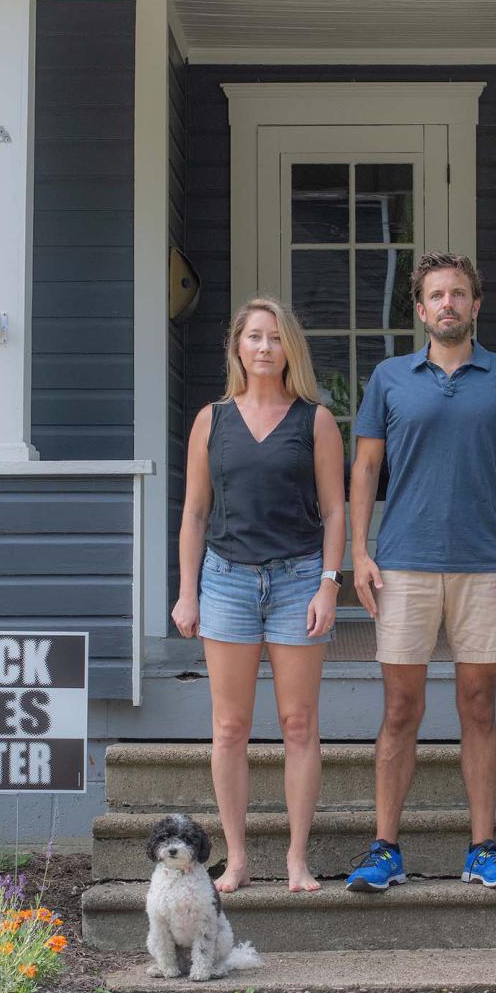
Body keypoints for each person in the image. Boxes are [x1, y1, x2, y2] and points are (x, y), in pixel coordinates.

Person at [346, 252, 496, 892]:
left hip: (486, 566)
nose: (448, 304)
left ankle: (483, 848)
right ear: (421, 309)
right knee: (400, 707)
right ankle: (385, 850)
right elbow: (365, 470)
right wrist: (359, 551)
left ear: (475, 305)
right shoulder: (389, 377)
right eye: (436, 295)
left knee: (479, 706)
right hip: (403, 563)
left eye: (459, 294)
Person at [171, 297, 346, 893]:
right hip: (226, 582)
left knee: (299, 724)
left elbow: (334, 509)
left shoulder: (314, 420)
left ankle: (297, 858)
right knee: (229, 727)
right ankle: (239, 857)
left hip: (299, 580)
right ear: (238, 348)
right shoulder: (211, 421)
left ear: (288, 347)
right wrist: (186, 592)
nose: (265, 347)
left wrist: (329, 582)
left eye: (274, 337)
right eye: (253, 337)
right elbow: (195, 511)